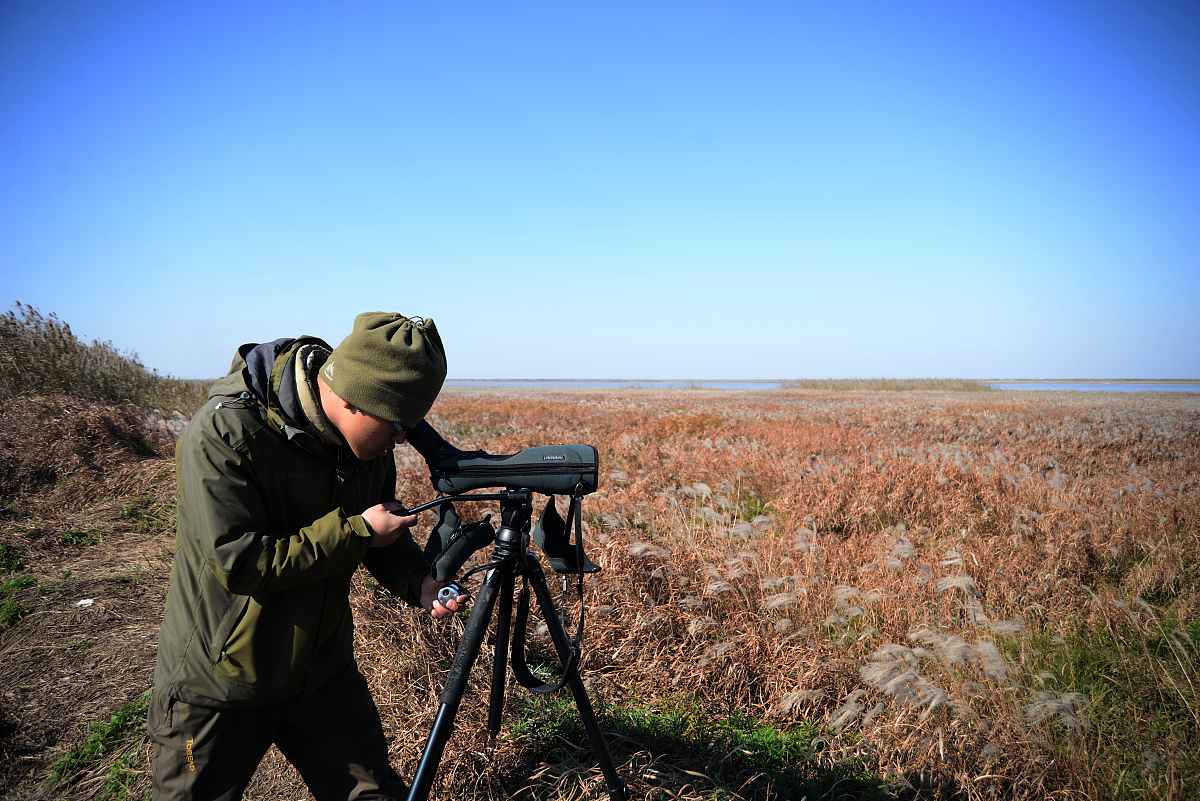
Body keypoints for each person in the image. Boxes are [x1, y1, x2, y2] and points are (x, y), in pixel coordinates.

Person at [148, 312, 468, 801]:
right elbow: (241, 561)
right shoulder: (226, 434)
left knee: (373, 794)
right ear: (353, 401)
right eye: (398, 425)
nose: (402, 440)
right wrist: (360, 531)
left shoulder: (368, 446)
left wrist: (417, 581)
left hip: (321, 674)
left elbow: (381, 534)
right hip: (220, 683)